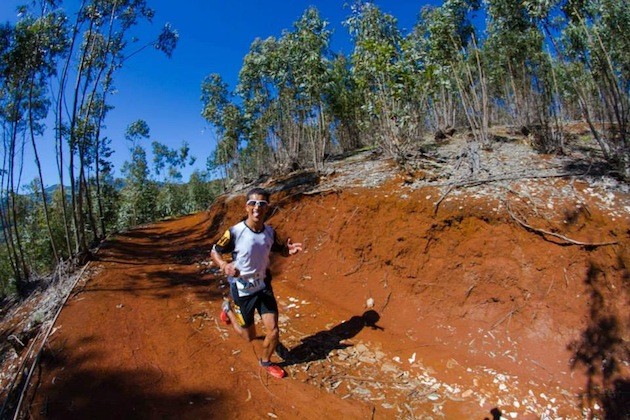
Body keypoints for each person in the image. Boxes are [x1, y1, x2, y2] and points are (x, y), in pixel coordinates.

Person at [210, 187, 302, 379]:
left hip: (263, 287)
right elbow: (215, 251)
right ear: (246, 207)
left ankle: (266, 361)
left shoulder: (270, 232)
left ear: (267, 208)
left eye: (262, 204)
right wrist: (224, 265)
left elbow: (279, 250)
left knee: (274, 330)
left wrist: (288, 251)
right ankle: (228, 310)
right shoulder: (235, 232)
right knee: (248, 336)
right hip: (242, 290)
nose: (257, 207)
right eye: (253, 203)